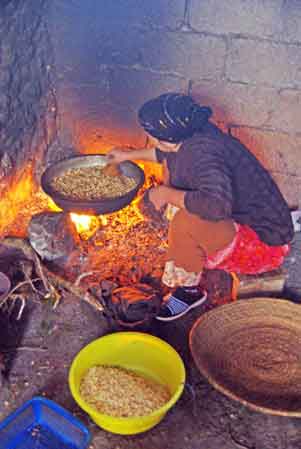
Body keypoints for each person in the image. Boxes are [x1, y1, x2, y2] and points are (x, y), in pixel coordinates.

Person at [108, 93, 294, 322]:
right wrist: (128, 155)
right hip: (248, 217)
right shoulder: (195, 133)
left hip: (261, 242)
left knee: (183, 222)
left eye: (152, 135)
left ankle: (189, 292)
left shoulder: (203, 155)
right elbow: (167, 153)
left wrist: (165, 193)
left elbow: (215, 206)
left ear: (166, 138)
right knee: (177, 202)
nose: (149, 138)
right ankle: (188, 253)